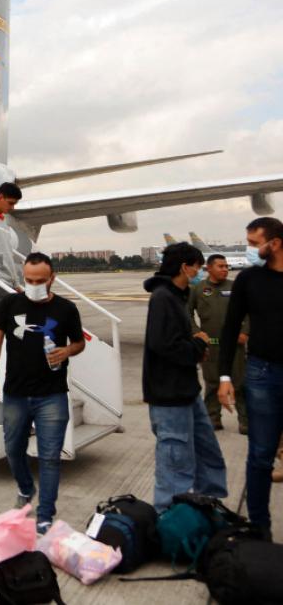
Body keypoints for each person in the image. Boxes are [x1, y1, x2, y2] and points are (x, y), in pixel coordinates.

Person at [0, 253, 86, 534]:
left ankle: (45, 514)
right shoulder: (10, 303)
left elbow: (79, 343)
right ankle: (26, 489)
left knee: (50, 456)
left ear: (52, 278)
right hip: (16, 393)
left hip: (51, 395)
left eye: (40, 281)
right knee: (14, 449)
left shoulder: (66, 309)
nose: (34, 285)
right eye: (29, 280)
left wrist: (67, 351)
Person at [144, 241, 228, 513]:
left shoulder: (178, 296)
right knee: (175, 463)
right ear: (185, 267)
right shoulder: (163, 298)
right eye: (198, 267)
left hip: (187, 390)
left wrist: (195, 346)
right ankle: (172, 522)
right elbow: (162, 344)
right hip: (169, 396)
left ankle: (206, 508)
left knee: (208, 454)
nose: (200, 272)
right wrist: (198, 345)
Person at [218, 216, 283, 533]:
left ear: (276, 243)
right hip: (262, 373)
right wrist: (224, 378)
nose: (250, 249)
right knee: (260, 455)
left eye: (255, 243)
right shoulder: (248, 280)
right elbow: (230, 329)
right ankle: (260, 528)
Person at [188, 254, 247, 432]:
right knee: (212, 383)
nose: (225, 269)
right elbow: (187, 313)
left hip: (235, 346)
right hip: (211, 346)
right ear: (209, 268)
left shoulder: (235, 287)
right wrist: (196, 332)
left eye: (226, 266)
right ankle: (213, 419)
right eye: (221, 266)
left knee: (240, 383)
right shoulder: (198, 289)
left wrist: (245, 332)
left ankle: (245, 421)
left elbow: (250, 311)